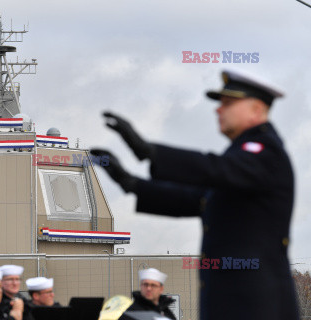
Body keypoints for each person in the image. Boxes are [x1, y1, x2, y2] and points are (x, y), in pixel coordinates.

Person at [91, 69, 299, 320]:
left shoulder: (265, 152)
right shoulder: (241, 162)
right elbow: (196, 198)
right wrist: (131, 182)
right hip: (232, 303)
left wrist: (148, 151)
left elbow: (215, 169)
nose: (218, 109)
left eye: (228, 103)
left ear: (256, 110)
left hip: (256, 305)